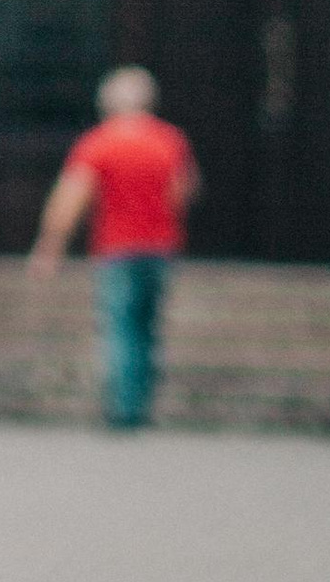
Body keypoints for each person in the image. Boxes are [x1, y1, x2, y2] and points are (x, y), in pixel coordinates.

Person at [29, 65, 201, 432]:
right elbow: (182, 192)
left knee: (120, 326)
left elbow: (71, 197)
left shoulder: (98, 142)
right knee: (147, 326)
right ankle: (142, 399)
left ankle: (124, 407)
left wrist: (49, 248)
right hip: (160, 246)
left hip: (117, 247)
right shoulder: (169, 140)